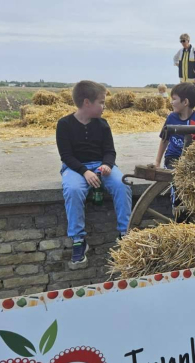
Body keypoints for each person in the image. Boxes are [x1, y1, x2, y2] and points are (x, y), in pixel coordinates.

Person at [56, 80, 133, 264]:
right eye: (101, 102)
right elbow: (66, 155)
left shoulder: (103, 124)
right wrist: (84, 172)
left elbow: (110, 151)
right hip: (75, 167)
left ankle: (126, 233)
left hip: (101, 164)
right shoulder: (64, 125)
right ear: (86, 103)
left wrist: (107, 164)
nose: (104, 107)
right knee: (73, 190)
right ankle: (78, 239)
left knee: (122, 185)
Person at [154, 82, 195, 170]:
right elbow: (164, 140)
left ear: (185, 102)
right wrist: (157, 161)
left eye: (174, 99)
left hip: (192, 160)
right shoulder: (171, 117)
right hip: (172, 158)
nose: (171, 102)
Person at [173, 33, 195, 109]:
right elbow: (175, 58)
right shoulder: (180, 51)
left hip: (193, 79)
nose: (182, 43)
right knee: (185, 97)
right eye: (181, 41)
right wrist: (178, 65)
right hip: (183, 79)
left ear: (188, 40)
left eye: (184, 41)